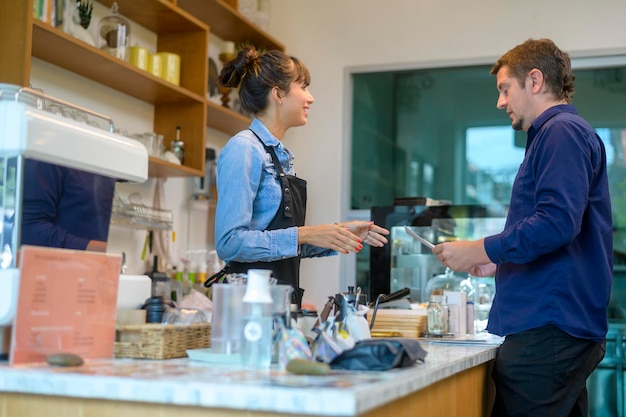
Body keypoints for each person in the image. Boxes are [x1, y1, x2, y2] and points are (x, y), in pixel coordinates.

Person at [431, 38, 612, 417]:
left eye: (504, 89)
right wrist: (501, 263)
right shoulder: (557, 135)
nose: (500, 102)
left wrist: (478, 249)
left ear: (534, 80)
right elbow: (560, 234)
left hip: (548, 329)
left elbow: (555, 223)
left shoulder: (561, 132)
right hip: (556, 326)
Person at [214, 47, 389, 305]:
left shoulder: (279, 156)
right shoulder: (244, 148)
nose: (311, 98)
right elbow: (229, 243)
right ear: (278, 94)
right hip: (248, 310)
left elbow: (282, 247)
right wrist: (305, 233)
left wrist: (340, 234)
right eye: (303, 86)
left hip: (279, 304)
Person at [21, 159, 116, 252]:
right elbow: (27, 229)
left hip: (105, 264)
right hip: (58, 265)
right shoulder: (48, 154)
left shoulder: (108, 158)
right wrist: (107, 251)